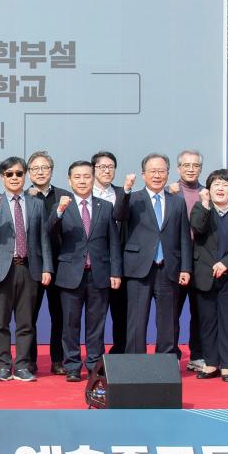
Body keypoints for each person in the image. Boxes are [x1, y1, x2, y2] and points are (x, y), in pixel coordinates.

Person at [0, 156, 53, 382]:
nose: (14, 177)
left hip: (28, 269)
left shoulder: (36, 203)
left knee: (25, 322)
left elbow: (43, 238)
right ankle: (2, 365)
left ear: (25, 175)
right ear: (2, 177)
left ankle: (21, 365)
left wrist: (47, 267)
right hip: (1, 269)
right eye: (9, 174)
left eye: (18, 173)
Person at [47, 161, 122, 382]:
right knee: (70, 323)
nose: (82, 180)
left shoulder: (105, 207)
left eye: (87, 176)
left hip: (99, 274)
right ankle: (71, 365)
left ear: (93, 178)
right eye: (77, 177)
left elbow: (114, 243)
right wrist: (59, 212)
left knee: (96, 324)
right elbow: (49, 231)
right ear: (70, 180)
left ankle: (94, 365)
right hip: (70, 275)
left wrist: (115, 272)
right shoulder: (61, 206)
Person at [113, 153, 192, 356]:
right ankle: (135, 362)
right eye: (152, 171)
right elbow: (118, 215)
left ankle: (166, 360)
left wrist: (185, 268)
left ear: (168, 173)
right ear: (143, 174)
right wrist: (126, 190)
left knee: (168, 320)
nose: (157, 175)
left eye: (161, 171)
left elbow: (184, 237)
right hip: (138, 269)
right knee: (136, 320)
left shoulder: (177, 202)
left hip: (168, 268)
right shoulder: (133, 198)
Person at [189, 170, 228, 383]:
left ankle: (227, 366)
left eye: (225, 185)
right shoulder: (201, 209)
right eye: (216, 184)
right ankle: (211, 364)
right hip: (205, 276)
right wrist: (205, 204)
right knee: (207, 323)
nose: (220, 188)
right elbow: (197, 228)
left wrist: (226, 263)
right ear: (208, 188)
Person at [27, 150, 72, 375]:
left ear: (52, 171)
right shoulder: (24, 196)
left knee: (59, 315)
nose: (40, 172)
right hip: (33, 265)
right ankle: (30, 360)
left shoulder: (65, 195)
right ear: (28, 173)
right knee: (29, 316)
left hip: (61, 263)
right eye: (35, 168)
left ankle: (58, 359)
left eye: (44, 168)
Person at [168, 149, 206, 371]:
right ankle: (171, 353)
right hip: (176, 260)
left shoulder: (209, 192)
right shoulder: (169, 192)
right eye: (186, 165)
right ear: (178, 168)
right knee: (171, 311)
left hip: (201, 261)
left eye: (195, 166)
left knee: (200, 312)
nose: (191, 169)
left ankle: (197, 355)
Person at [92, 151, 128, 355]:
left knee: (121, 311)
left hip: (120, 262)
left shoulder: (124, 193)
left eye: (110, 167)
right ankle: (93, 354)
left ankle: (120, 351)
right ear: (93, 169)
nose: (107, 170)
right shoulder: (82, 194)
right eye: (102, 167)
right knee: (95, 314)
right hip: (93, 262)